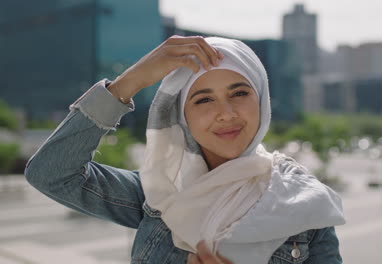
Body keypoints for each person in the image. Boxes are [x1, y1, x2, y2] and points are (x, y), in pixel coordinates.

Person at [25, 35, 346, 264]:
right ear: (181, 116)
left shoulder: (304, 206)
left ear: (261, 100)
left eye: (239, 93)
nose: (226, 113)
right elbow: (52, 174)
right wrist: (128, 83)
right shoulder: (159, 193)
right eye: (204, 99)